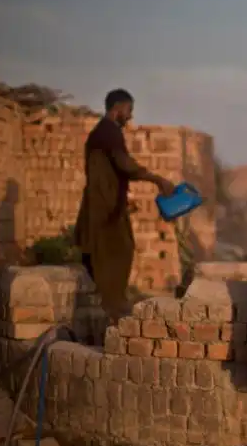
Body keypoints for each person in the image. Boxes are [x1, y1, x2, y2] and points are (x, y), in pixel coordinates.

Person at [74, 89, 175, 317]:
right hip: (104, 209)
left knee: (117, 251)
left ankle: (111, 304)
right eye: (129, 111)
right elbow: (124, 164)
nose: (130, 117)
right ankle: (113, 307)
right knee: (115, 253)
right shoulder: (108, 132)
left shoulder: (105, 132)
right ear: (118, 108)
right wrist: (156, 179)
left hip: (110, 206)